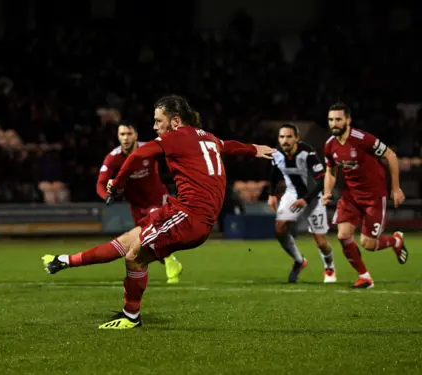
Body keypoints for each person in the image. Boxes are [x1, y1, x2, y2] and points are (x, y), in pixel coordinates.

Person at [42, 95, 275, 329]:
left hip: (189, 217)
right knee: (126, 241)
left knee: (134, 257)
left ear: (174, 121)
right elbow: (230, 146)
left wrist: (119, 182)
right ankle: (64, 261)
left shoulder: (175, 137)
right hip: (184, 212)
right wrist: (254, 149)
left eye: (157, 121)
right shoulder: (208, 137)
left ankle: (131, 316)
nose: (154, 127)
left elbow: (138, 154)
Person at [322, 102, 408, 289]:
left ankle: (395, 240)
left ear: (348, 120)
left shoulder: (362, 139)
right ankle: (365, 277)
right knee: (343, 235)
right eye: (330, 120)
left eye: (338, 119)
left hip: (374, 196)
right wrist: (327, 192)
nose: (333, 123)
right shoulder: (329, 146)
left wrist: (396, 188)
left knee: (368, 244)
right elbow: (331, 170)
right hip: (351, 196)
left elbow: (391, 156)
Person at [97, 121, 183, 284]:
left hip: (157, 199)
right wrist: (106, 196)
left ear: (135, 135)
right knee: (147, 240)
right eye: (122, 134)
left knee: (152, 233)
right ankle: (171, 262)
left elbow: (172, 151)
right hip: (136, 205)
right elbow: (101, 183)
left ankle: (169, 264)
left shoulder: (149, 148)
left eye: (129, 134)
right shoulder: (113, 157)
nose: (126, 138)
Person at [267, 123, 336, 283]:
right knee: (280, 229)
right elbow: (274, 173)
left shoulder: (307, 153)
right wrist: (272, 194)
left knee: (320, 241)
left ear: (296, 138)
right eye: (282, 137)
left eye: (289, 136)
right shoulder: (276, 153)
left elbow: (321, 181)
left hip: (313, 197)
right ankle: (299, 261)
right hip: (292, 194)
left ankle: (330, 267)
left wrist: (305, 200)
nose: (285, 140)